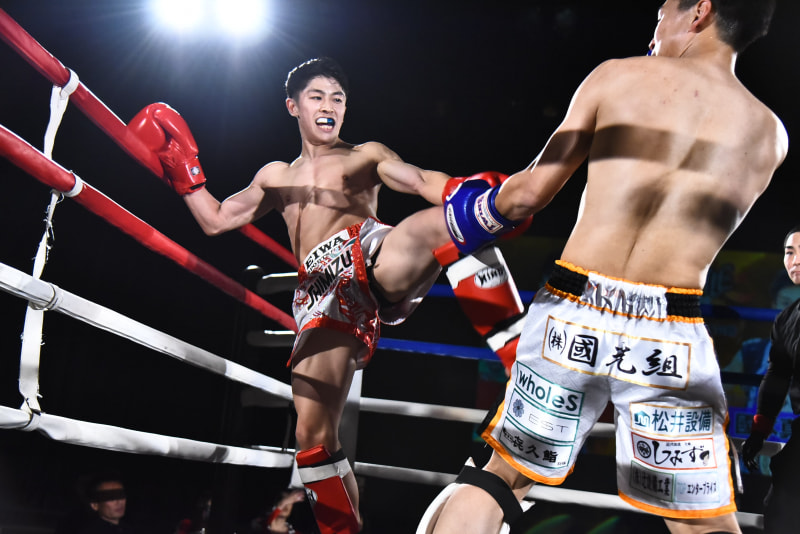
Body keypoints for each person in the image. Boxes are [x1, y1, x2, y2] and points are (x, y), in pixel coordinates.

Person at [419, 1, 787, 533]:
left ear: (699, 12)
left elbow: (526, 196)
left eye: (662, 13)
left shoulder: (617, 77)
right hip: (669, 330)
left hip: (575, 308)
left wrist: (460, 214)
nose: (654, 30)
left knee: (504, 474)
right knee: (701, 521)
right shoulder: (769, 133)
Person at [125, 57, 525, 534]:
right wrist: (184, 170)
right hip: (319, 290)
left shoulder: (364, 155)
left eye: (338, 98)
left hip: (371, 251)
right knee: (313, 439)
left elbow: (417, 179)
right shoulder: (274, 175)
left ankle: (522, 360)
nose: (329, 106)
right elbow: (215, 220)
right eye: (317, 97)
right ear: (293, 106)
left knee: (446, 222)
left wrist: (458, 191)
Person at [741, 225, 800, 534]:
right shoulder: (787, 319)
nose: (796, 260)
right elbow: (777, 377)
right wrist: (759, 432)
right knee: (780, 511)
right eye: (790, 252)